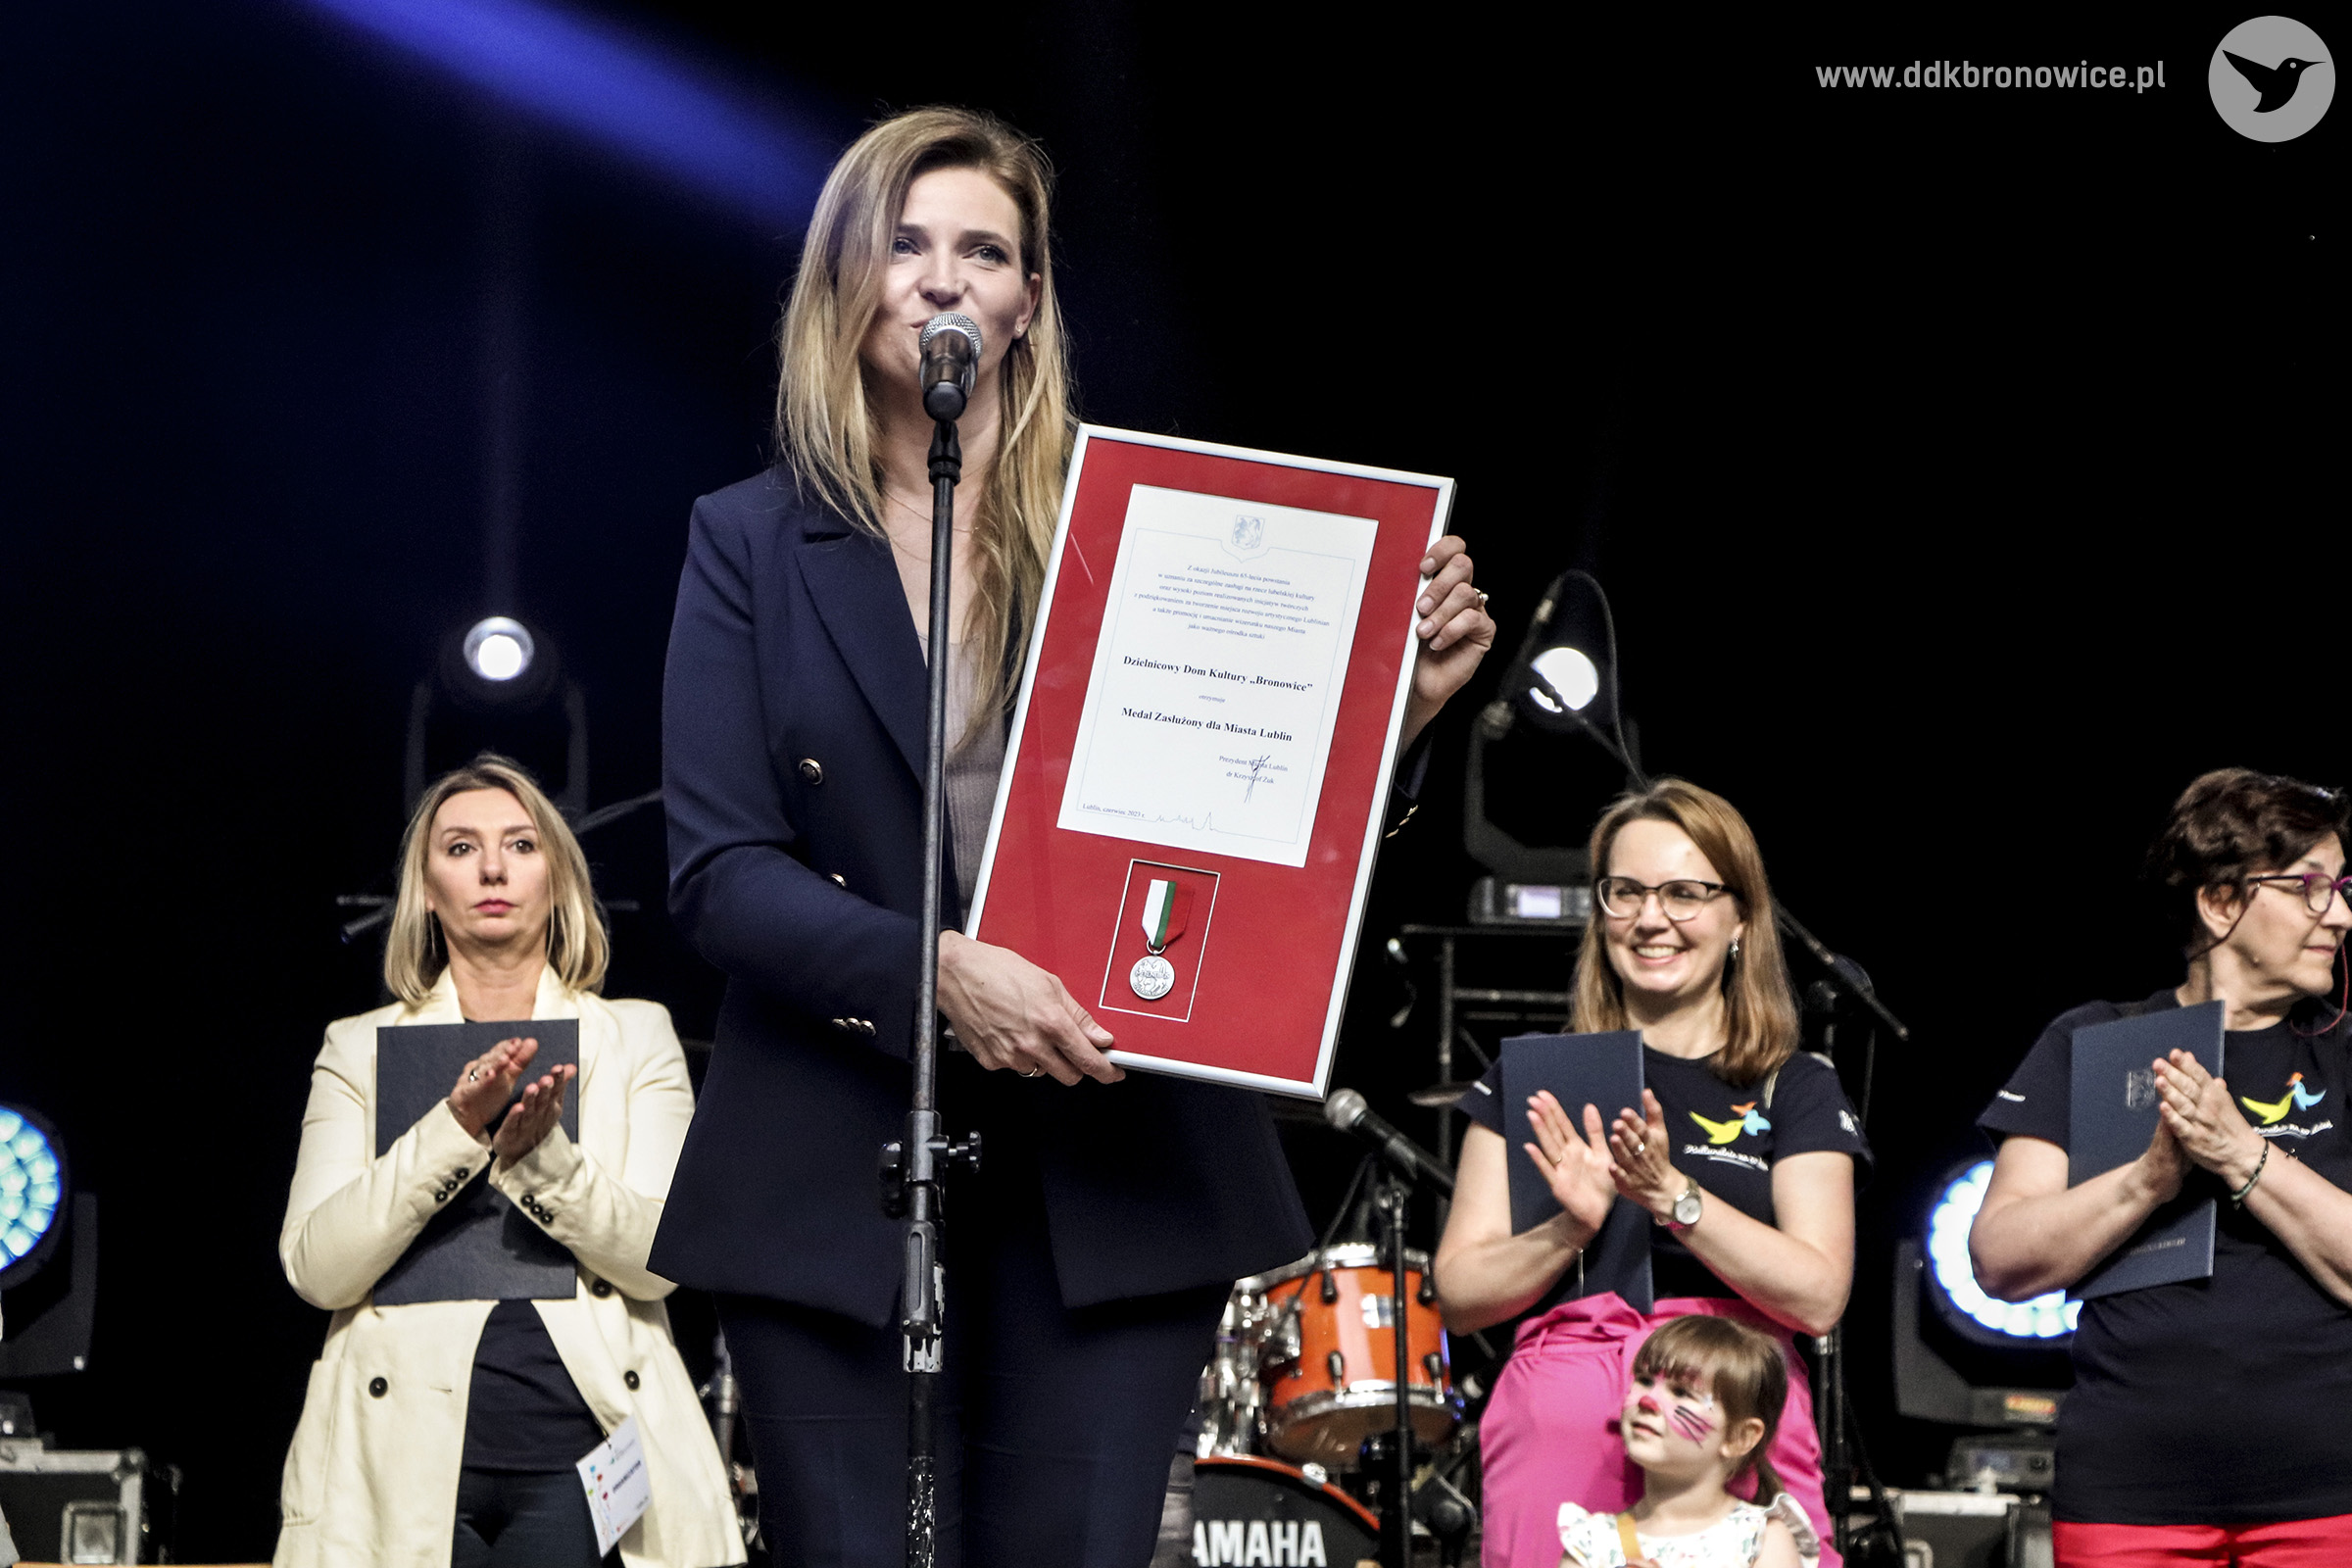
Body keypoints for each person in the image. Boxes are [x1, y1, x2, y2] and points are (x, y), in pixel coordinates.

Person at [648, 106, 1494, 1567]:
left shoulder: (1156, 531)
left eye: (985, 252)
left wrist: (1387, 718)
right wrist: (939, 970)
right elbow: (720, 875)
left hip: (1115, 1156)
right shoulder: (748, 539)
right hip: (833, 1158)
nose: (942, 277)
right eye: (904, 244)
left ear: (1028, 302)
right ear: (842, 281)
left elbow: (1250, 843)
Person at [274, 757, 741, 1568]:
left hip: (587, 1455)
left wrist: (543, 1164)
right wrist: (454, 1131)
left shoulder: (635, 1036)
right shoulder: (357, 1048)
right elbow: (318, 1270)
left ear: (557, 879)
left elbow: (663, 1261)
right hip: (394, 1464)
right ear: (426, 890)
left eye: (521, 845)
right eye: (461, 848)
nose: (492, 868)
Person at [1434, 778, 1866, 1568]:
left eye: (1684, 893)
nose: (1650, 917)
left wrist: (1673, 1195)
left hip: (1729, 1407)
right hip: (1566, 1418)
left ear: (1741, 918)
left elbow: (1818, 1295)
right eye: (1626, 892)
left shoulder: (1794, 1085)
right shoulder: (1535, 1077)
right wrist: (1571, 1227)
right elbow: (1460, 1297)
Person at [1970, 768, 2352, 1567]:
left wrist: (2242, 1153)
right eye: (2310, 888)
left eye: (2342, 887)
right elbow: (1999, 1260)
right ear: (2221, 901)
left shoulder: (2343, 1050)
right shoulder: (2095, 1041)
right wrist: (2147, 1179)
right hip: (2130, 1497)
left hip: (2329, 1497)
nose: (2341, 915)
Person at [1555, 1315, 1817, 1568]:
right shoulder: (1593, 1543)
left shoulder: (1761, 1538)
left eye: (1681, 1392)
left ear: (1739, 1437)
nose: (1648, 1401)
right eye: (1644, 1380)